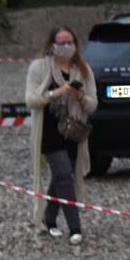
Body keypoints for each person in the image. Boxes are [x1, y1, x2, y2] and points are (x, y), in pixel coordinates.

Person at [25, 27, 98, 243]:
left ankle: (49, 218)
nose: (66, 46)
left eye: (70, 42)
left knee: (60, 178)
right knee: (65, 174)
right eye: (62, 42)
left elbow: (93, 105)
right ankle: (75, 227)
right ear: (51, 45)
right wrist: (56, 92)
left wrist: (80, 96)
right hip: (48, 132)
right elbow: (31, 99)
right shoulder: (39, 68)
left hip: (73, 131)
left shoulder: (84, 70)